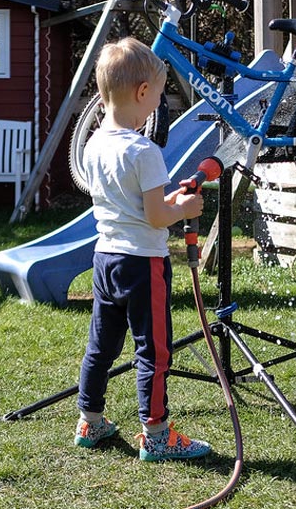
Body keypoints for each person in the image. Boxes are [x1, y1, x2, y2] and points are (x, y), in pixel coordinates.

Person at [74, 37, 211, 462]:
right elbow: (155, 218)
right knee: (153, 349)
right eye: (159, 93)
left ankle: (90, 421)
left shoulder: (95, 145)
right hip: (142, 265)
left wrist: (169, 203)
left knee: (101, 345)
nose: (160, 102)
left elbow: (133, 207)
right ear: (141, 93)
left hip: (106, 259)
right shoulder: (145, 150)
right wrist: (185, 206)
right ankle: (156, 434)